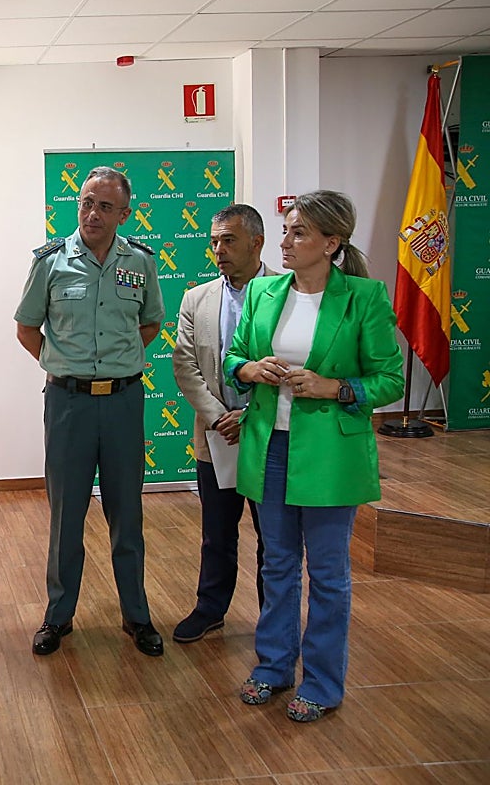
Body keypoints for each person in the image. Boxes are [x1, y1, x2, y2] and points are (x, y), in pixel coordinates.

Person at [223, 190, 403, 722]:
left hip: (329, 456)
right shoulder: (263, 292)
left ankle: (322, 683)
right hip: (270, 447)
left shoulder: (363, 298)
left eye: (299, 233)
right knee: (277, 564)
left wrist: (334, 387)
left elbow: (390, 379)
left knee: (327, 574)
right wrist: (250, 370)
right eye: (286, 231)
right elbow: (236, 356)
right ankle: (273, 667)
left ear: (332, 242)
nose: (286, 241)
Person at [15, 166, 166, 658]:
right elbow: (27, 328)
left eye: (104, 206)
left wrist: (113, 367)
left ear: (125, 213)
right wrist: (67, 368)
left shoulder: (140, 262)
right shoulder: (51, 262)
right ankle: (58, 617)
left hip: (123, 402)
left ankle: (137, 616)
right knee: (66, 515)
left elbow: (150, 324)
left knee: (128, 512)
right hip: (68, 405)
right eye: (85, 202)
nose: (92, 213)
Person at [171, 204, 270, 643]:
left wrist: (250, 415)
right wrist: (218, 417)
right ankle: (210, 609)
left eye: (228, 240)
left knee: (275, 537)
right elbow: (185, 365)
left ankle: (275, 617)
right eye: (213, 241)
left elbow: (290, 361)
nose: (218, 250)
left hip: (270, 432)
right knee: (216, 533)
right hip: (215, 436)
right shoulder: (197, 298)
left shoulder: (284, 292)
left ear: (257, 242)